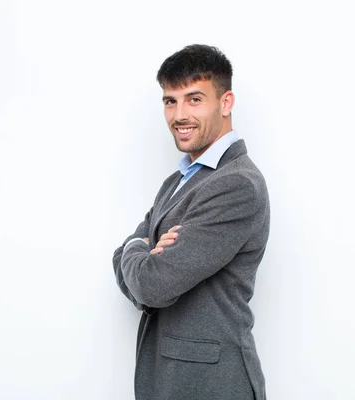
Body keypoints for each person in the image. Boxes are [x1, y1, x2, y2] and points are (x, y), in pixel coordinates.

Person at [112, 44, 270, 400]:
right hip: (167, 379)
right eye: (170, 101)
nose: (179, 114)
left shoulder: (236, 184)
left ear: (226, 103)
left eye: (194, 99)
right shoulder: (178, 181)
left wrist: (138, 249)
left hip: (210, 384)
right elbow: (128, 266)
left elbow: (153, 285)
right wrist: (143, 251)